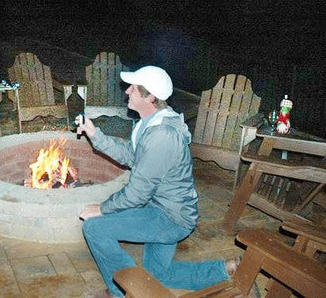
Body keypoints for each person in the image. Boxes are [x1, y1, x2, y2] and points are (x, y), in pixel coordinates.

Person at [76, 66, 237, 298]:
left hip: (170, 217)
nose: (127, 91)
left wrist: (102, 209)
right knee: (158, 275)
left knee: (95, 228)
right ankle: (224, 270)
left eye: (133, 88)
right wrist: (96, 136)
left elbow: (137, 193)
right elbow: (132, 156)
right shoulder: (150, 122)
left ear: (150, 97)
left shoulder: (162, 135)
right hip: (161, 208)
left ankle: (121, 291)